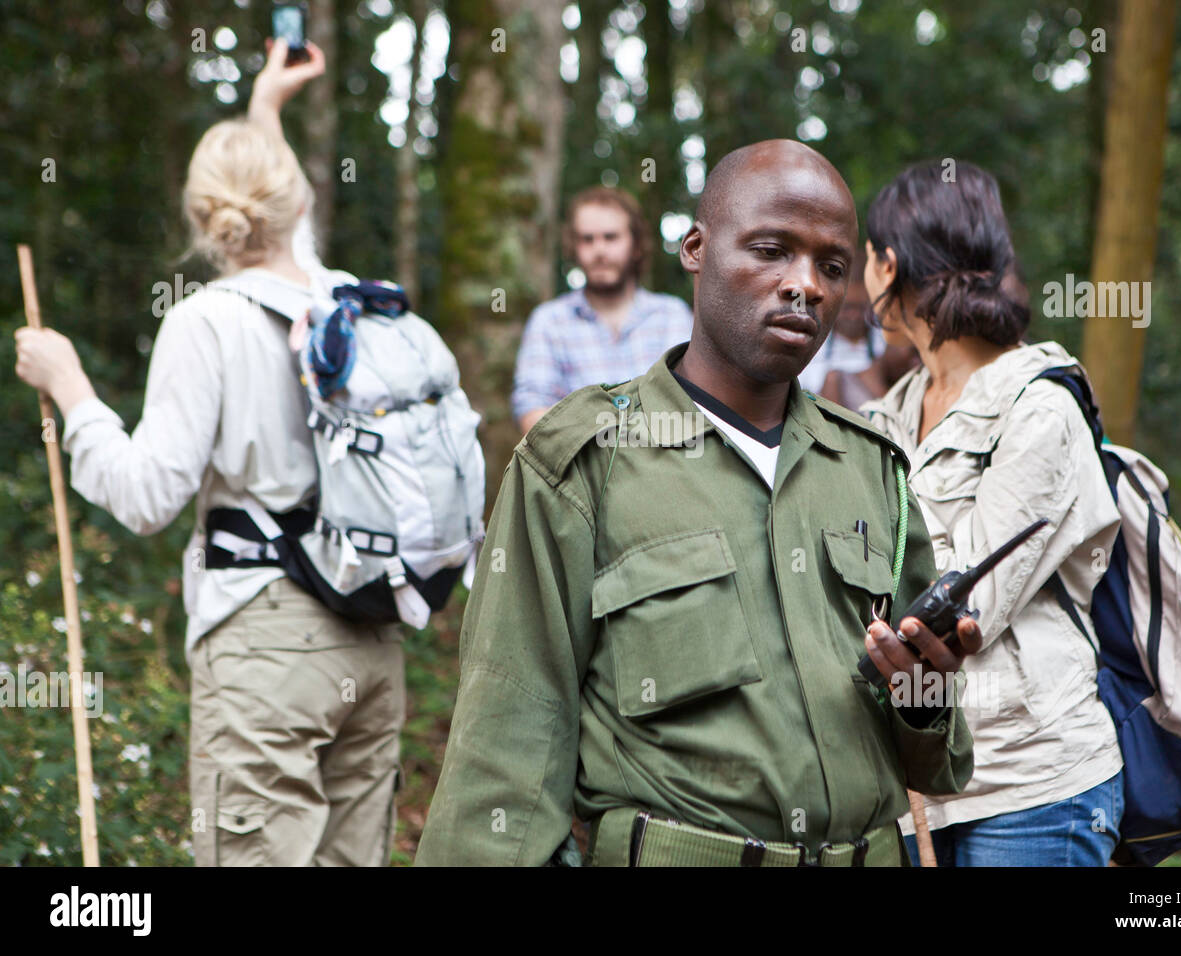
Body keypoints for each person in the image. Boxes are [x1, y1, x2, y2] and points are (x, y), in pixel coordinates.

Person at [415, 139, 983, 867]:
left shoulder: (870, 469)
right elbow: (507, 732)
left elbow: (935, 763)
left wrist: (923, 694)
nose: (804, 284)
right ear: (695, 248)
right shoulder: (582, 462)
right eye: (772, 249)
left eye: (832, 267)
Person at [13, 40, 405, 866]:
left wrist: (72, 385)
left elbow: (148, 494)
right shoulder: (348, 302)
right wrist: (267, 105)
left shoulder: (207, 320)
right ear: (298, 202)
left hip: (267, 644)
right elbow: (293, 232)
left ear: (202, 217)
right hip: (371, 639)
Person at [859, 159, 1124, 866]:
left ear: (887, 267)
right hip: (911, 795)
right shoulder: (884, 416)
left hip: (1032, 789)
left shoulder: (1040, 404)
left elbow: (969, 605)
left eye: (858, 257)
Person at [511, 187, 693, 433]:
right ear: (573, 247)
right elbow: (533, 411)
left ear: (636, 244)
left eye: (610, 237)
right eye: (587, 239)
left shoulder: (672, 316)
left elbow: (691, 406)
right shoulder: (549, 321)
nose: (599, 250)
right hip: (577, 470)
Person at [799, 245, 917, 406]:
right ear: (833, 304)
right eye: (847, 308)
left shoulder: (885, 337)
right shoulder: (811, 344)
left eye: (860, 308)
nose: (854, 316)